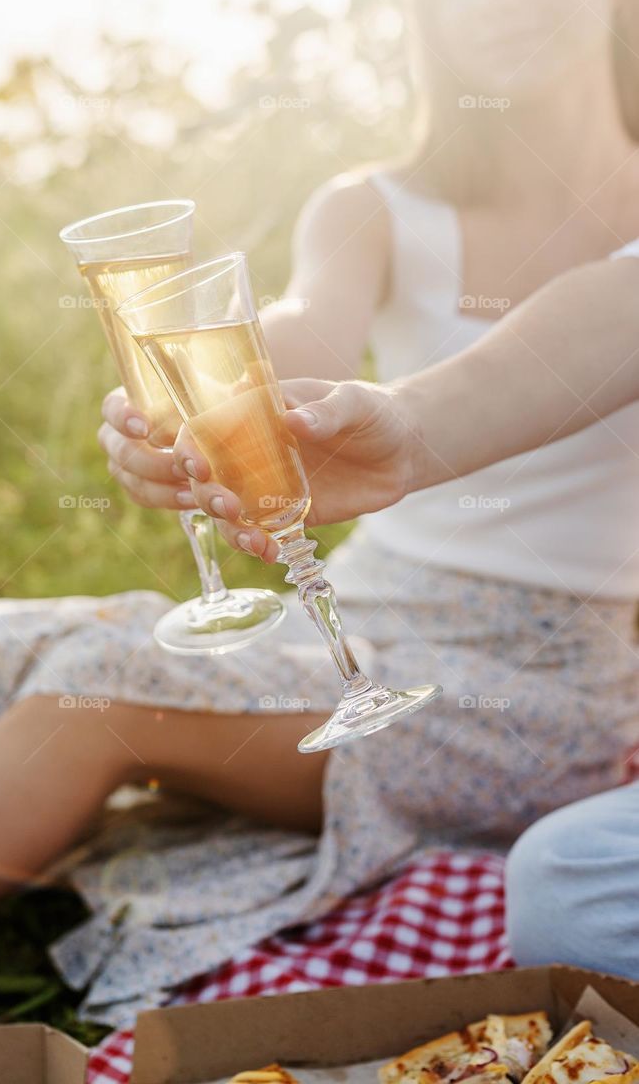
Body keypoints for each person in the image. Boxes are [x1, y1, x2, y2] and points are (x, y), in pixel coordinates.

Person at [0, 0, 639, 1024]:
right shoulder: (376, 204)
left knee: (100, 684)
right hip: (360, 610)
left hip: (535, 688)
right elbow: (300, 330)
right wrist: (186, 391)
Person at [174, 241, 639, 980]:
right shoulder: (374, 206)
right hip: (382, 598)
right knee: (564, 889)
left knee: (107, 687)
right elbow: (614, 308)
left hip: (531, 667)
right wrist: (406, 434)